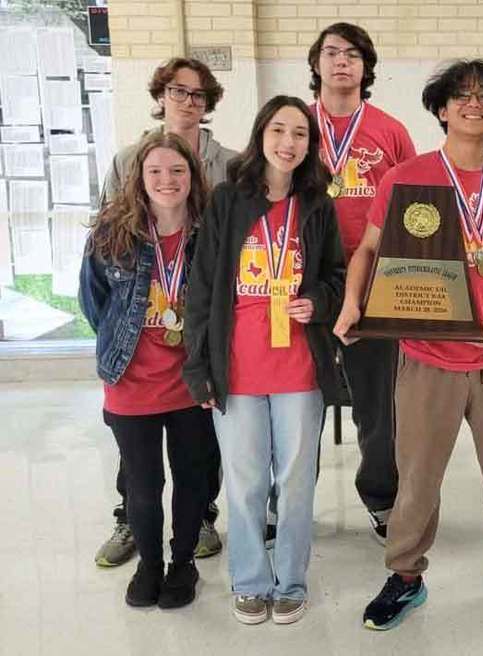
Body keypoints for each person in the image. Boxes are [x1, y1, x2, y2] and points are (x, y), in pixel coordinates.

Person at [334, 59, 483, 630]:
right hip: (427, 358)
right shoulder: (407, 179)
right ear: (441, 108)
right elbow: (367, 251)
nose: (473, 104)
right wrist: (354, 302)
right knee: (418, 479)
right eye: (461, 95)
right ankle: (405, 575)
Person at [182, 96, 345, 625]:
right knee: (247, 480)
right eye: (279, 130)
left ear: (309, 144)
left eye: (300, 133)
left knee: (296, 482)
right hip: (239, 369)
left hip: (299, 368)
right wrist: (199, 366)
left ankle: (292, 579)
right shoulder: (228, 200)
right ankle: (251, 580)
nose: (288, 143)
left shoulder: (318, 204)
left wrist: (318, 301)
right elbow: (202, 288)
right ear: (260, 136)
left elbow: (338, 279)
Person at [95, 57, 237, 568]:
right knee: (136, 452)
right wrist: (121, 332)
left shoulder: (230, 163)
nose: (188, 101)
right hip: (140, 337)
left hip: (196, 338)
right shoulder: (128, 158)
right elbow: (106, 267)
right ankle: (130, 519)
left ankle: (198, 515)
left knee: (199, 444)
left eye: (199, 94)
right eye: (179, 91)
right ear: (161, 95)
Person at [79, 132, 215, 609]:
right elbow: (94, 304)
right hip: (131, 383)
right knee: (142, 485)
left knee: (192, 478)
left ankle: (183, 565)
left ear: (192, 177)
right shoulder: (111, 233)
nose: (166, 180)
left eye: (177, 171)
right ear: (139, 177)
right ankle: (150, 565)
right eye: (155, 171)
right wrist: (121, 346)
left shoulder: (210, 232)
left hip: (191, 382)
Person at [307, 22, 416, 543]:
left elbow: (414, 209)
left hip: (376, 287)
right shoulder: (295, 127)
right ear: (317, 64)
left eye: (352, 54)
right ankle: (287, 501)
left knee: (378, 407)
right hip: (304, 285)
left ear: (366, 67)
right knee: (296, 400)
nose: (341, 62)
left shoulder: (390, 131)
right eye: (331, 53)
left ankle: (381, 497)